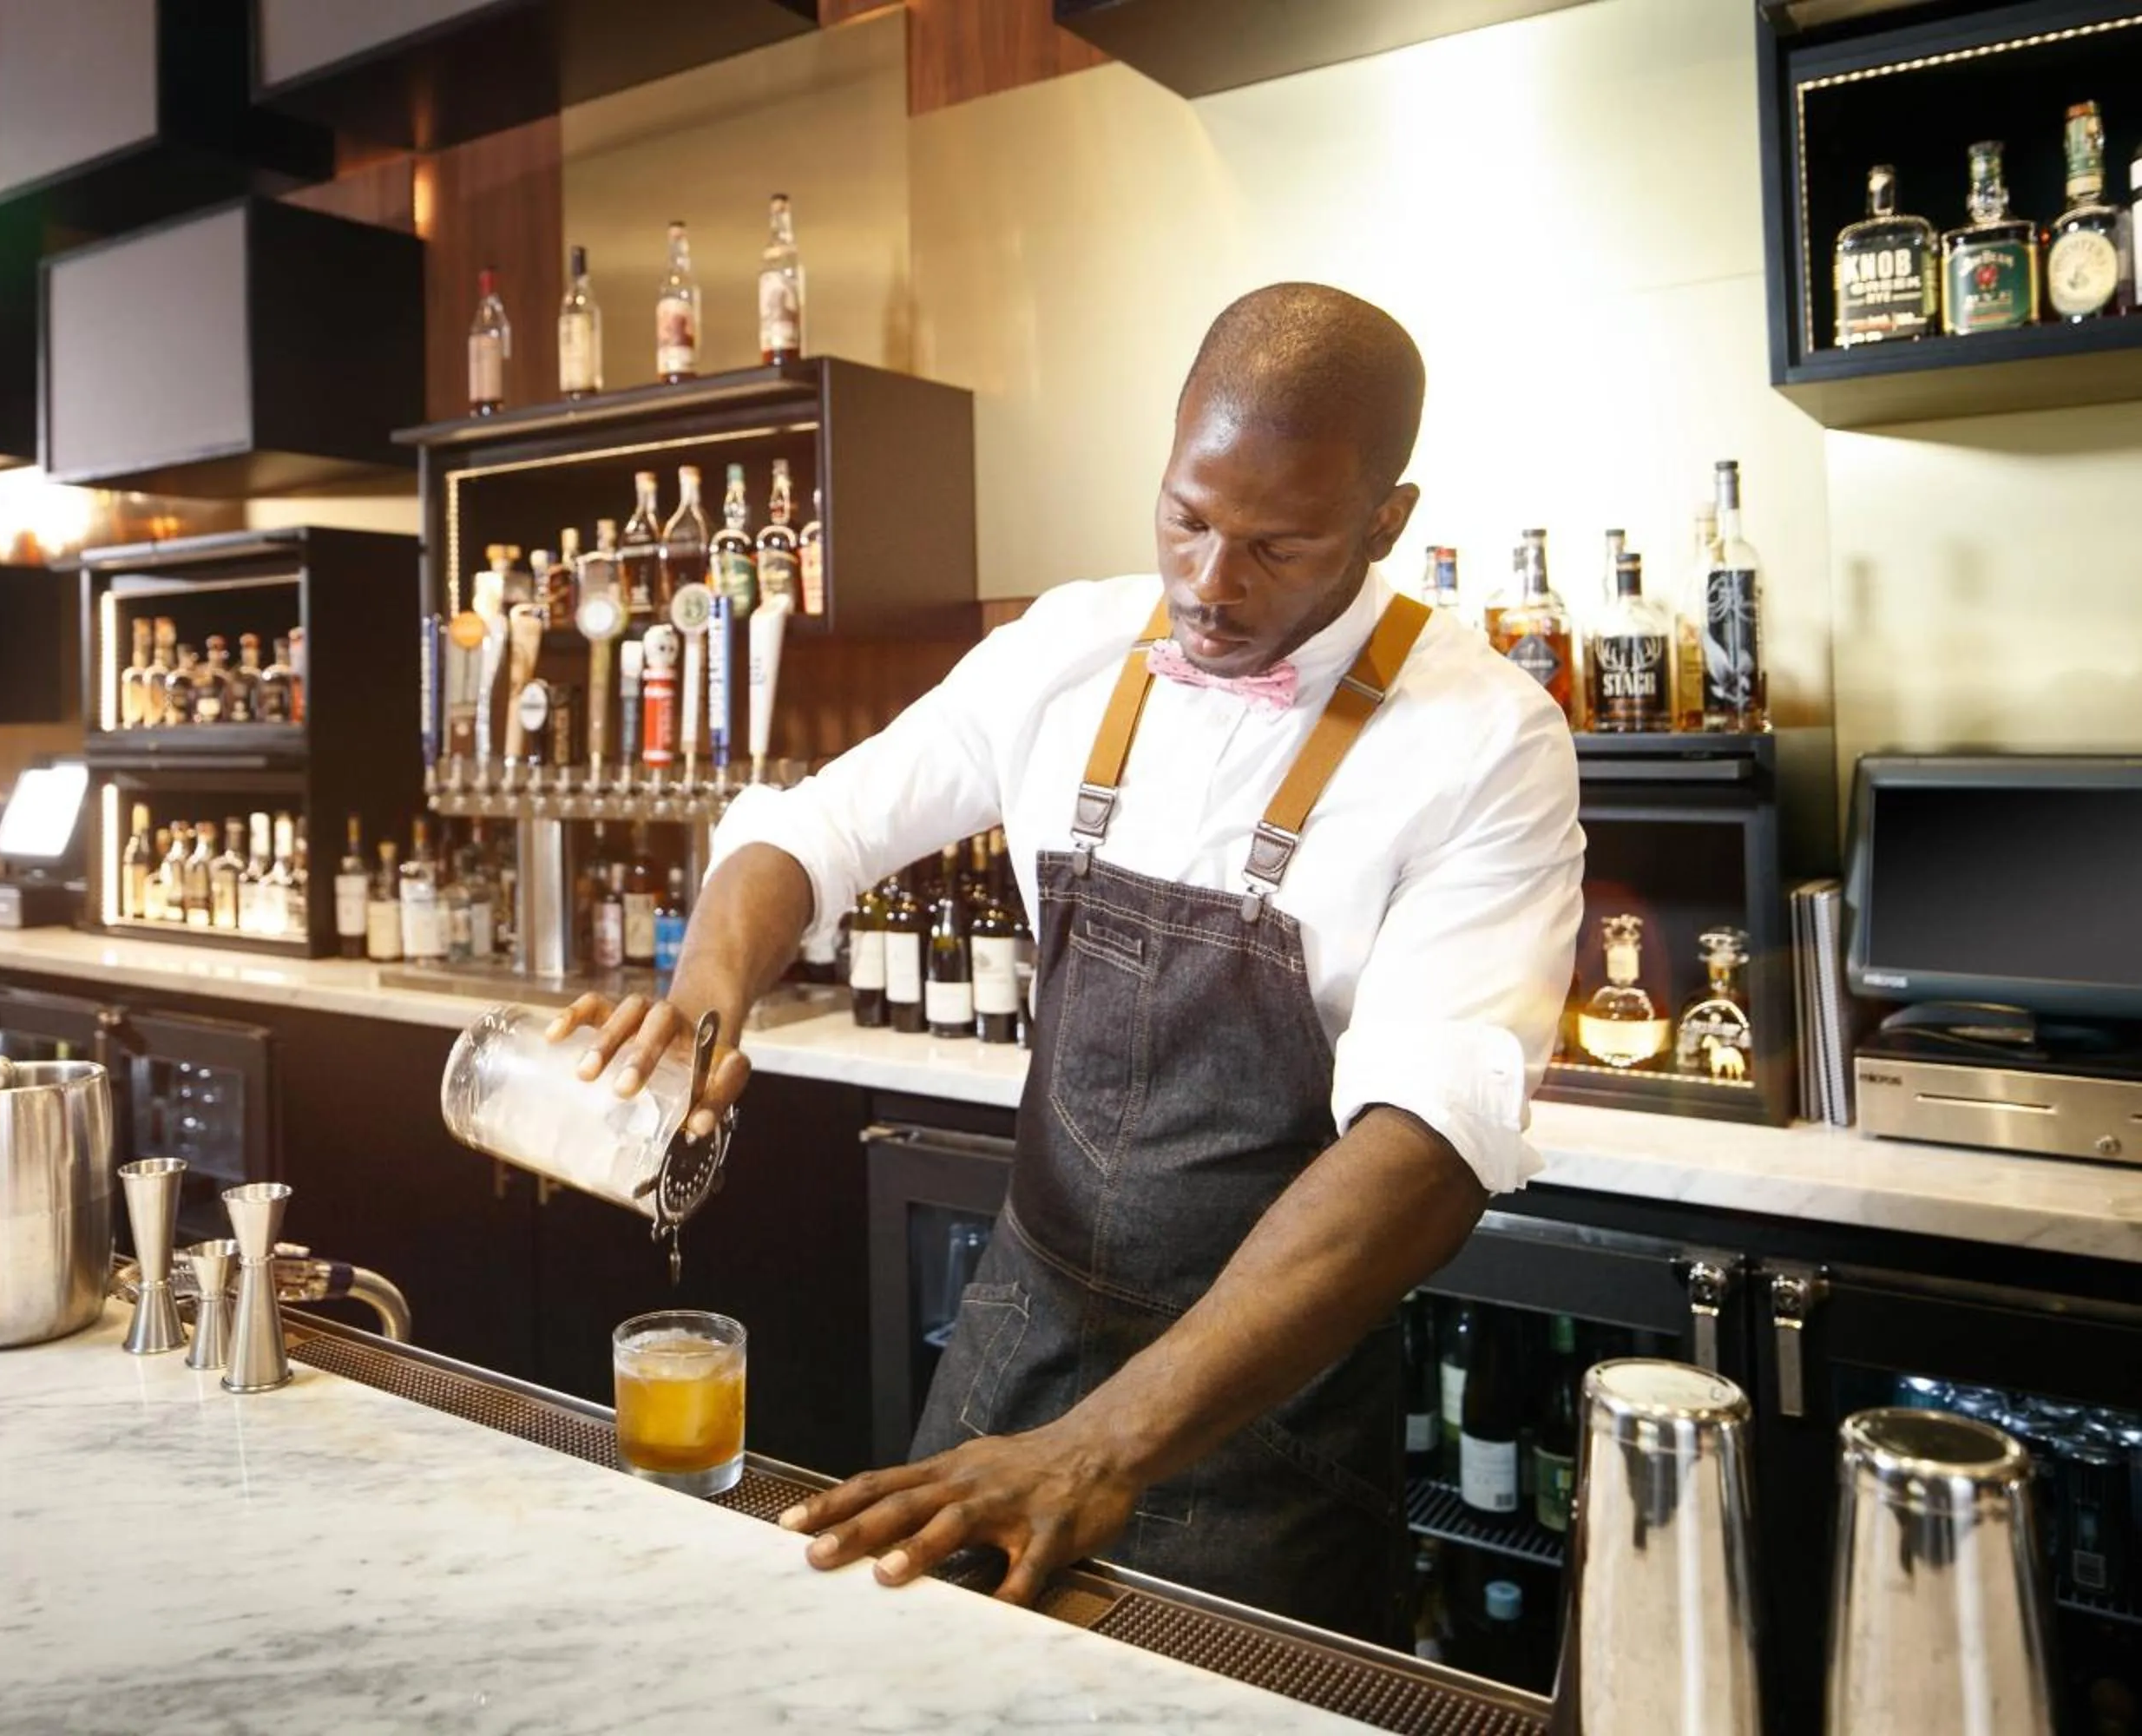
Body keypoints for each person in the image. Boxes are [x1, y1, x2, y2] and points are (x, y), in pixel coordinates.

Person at [550, 283, 1583, 1643]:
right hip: (1015, 1336)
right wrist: (701, 1002)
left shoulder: (1487, 741)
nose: (1210, 585)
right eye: (1188, 519)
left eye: (1278, 545)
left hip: (1260, 1402)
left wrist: (1104, 1449)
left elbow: (1427, 1144)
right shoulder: (1069, 651)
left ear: (1386, 522)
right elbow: (815, 828)